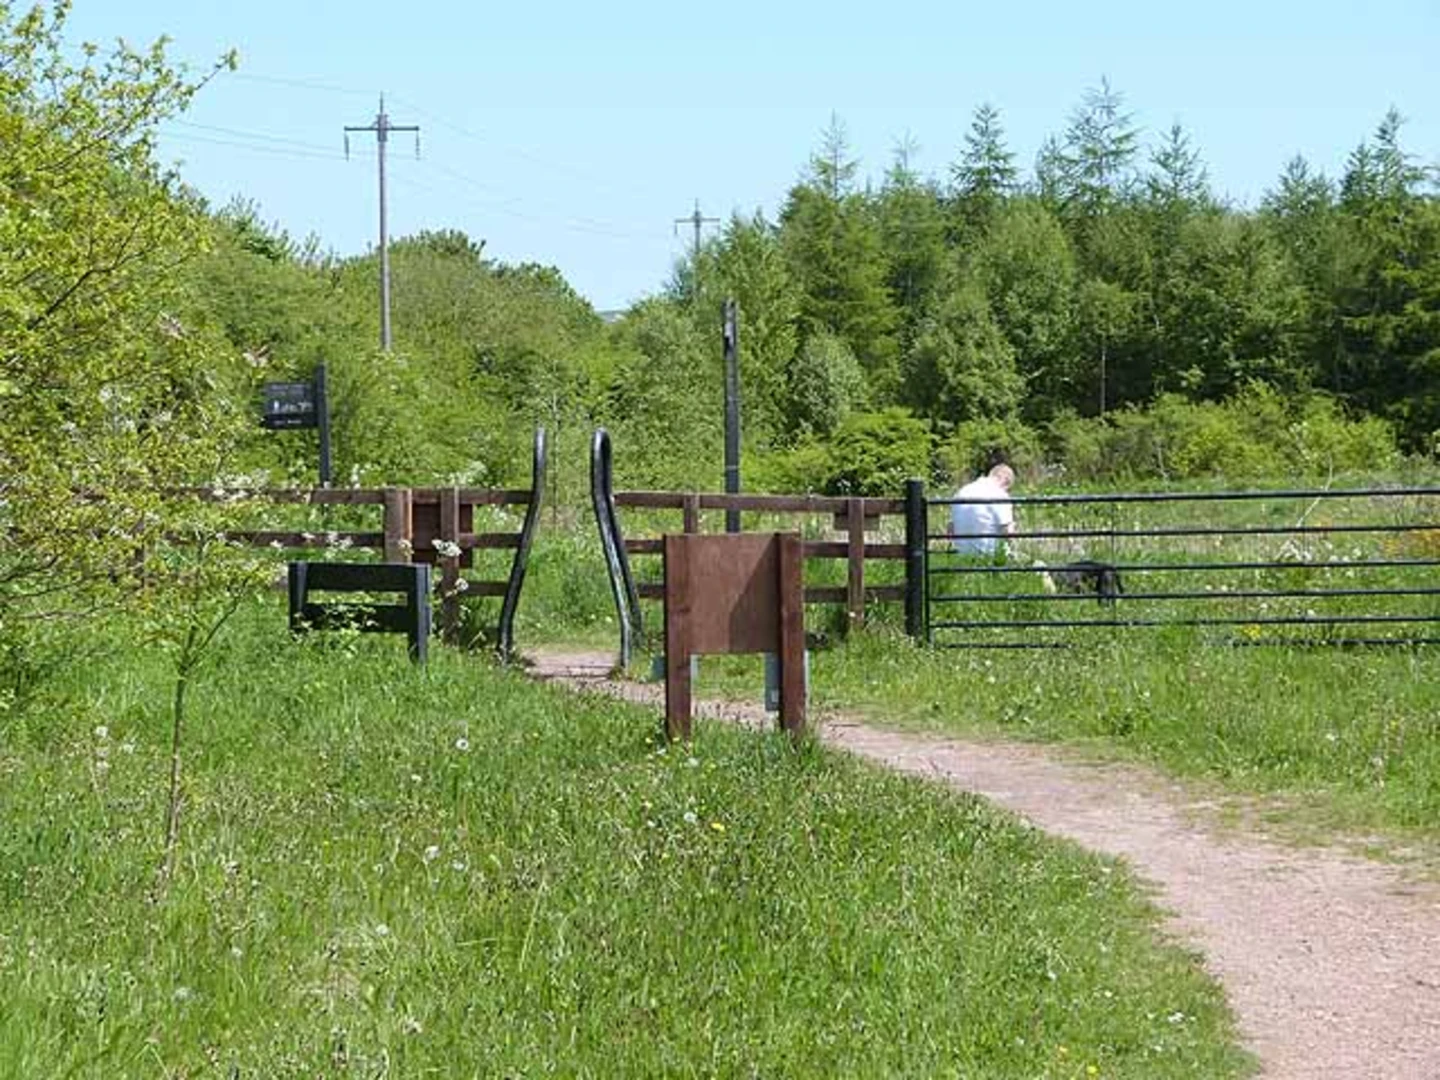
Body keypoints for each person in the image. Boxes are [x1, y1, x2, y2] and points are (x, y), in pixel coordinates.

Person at [950, 463, 1016, 557]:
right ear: (1005, 481)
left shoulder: (961, 492)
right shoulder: (1000, 494)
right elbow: (1008, 533)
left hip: (962, 556)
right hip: (990, 556)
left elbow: (951, 529)